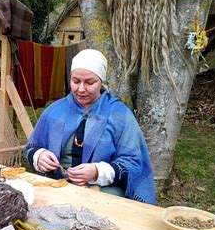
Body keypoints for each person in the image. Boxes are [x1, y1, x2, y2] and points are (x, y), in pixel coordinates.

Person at [24, 49, 156, 204]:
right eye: (75, 81)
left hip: (103, 192)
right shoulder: (56, 110)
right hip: (57, 186)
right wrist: (39, 156)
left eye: (90, 82)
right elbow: (30, 148)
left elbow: (134, 163)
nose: (80, 89)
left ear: (101, 82)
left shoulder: (119, 115)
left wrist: (97, 172)